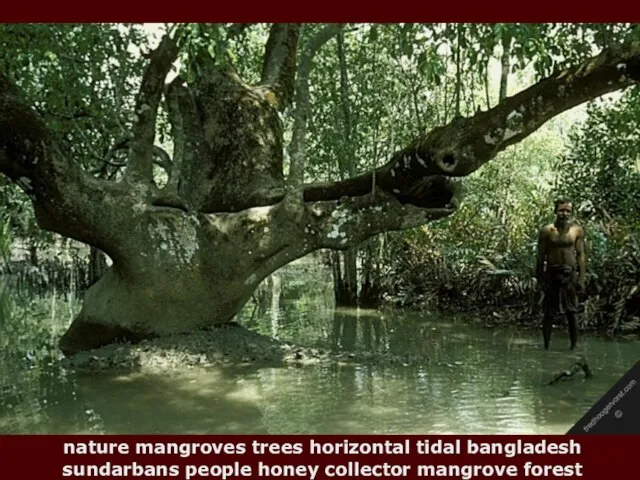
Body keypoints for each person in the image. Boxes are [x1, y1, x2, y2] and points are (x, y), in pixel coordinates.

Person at [535, 199, 586, 350]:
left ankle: (573, 347)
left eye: (567, 211)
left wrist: (581, 279)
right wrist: (539, 278)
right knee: (549, 313)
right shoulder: (547, 231)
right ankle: (546, 347)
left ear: (571, 213)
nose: (564, 214)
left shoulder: (576, 231)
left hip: (569, 274)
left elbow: (581, 255)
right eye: (561, 210)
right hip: (552, 274)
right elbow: (540, 256)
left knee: (572, 312)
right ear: (555, 211)